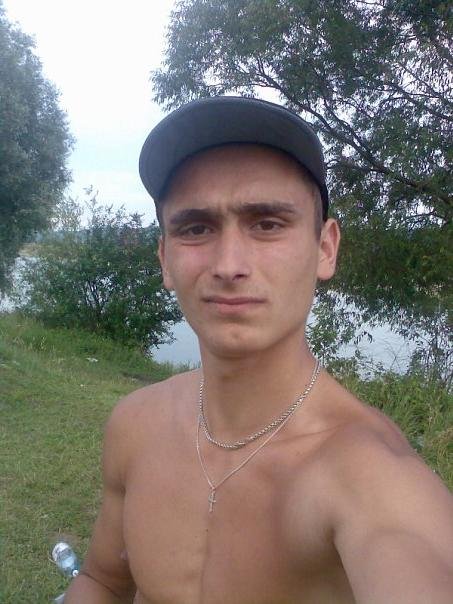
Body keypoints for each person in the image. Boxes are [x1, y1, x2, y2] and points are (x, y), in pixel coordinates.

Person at [64, 97, 453, 604]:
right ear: (164, 259)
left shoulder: (373, 479)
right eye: (196, 228)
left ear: (325, 248)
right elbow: (102, 581)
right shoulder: (136, 424)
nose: (228, 265)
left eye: (267, 223)